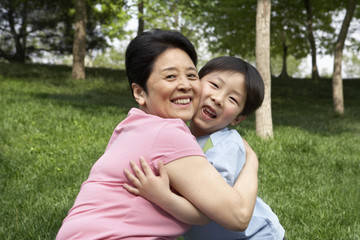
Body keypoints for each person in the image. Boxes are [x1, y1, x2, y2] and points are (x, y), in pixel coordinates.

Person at [56, 29, 258, 239]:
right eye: (170, 76)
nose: (185, 85)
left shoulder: (130, 126)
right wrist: (251, 160)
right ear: (140, 92)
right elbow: (238, 216)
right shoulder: (169, 133)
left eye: (191, 75)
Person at [124, 57, 286, 239]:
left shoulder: (226, 145)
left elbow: (208, 211)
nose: (218, 99)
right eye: (215, 85)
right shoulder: (179, 135)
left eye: (232, 99)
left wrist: (163, 197)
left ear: (237, 119)